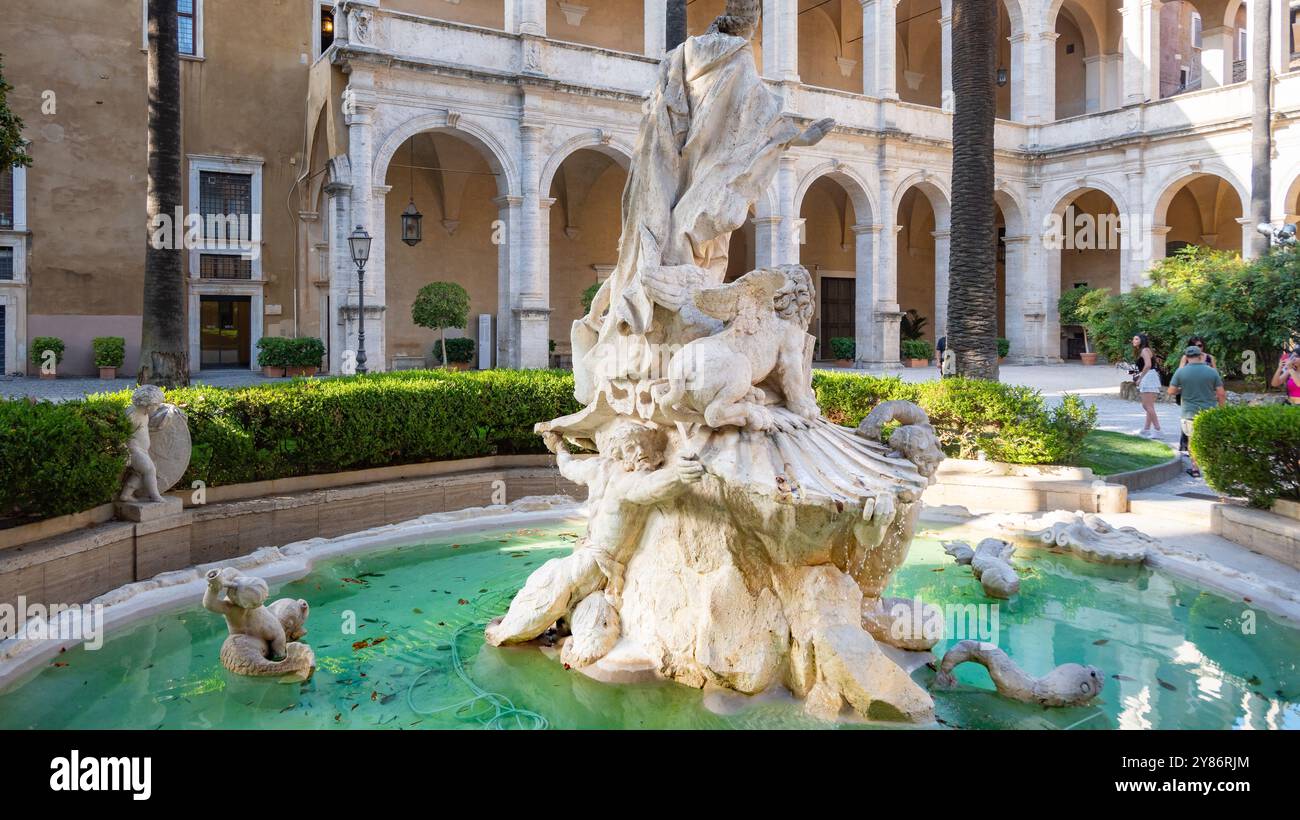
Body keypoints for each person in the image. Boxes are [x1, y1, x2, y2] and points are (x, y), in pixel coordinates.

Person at [1168, 345, 1227, 479]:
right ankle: (1212, 467)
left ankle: (1195, 469)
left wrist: (1182, 389)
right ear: (1201, 356)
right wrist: (1222, 410)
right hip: (1209, 412)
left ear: (1187, 358)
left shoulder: (1181, 372)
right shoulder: (1212, 372)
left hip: (1189, 413)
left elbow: (1171, 391)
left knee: (1192, 441)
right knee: (1210, 439)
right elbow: (1221, 393)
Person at [1176, 337, 1217, 454]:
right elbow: (1180, 373)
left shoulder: (1210, 358)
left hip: (1206, 394)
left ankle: (1204, 446)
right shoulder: (1186, 358)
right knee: (1188, 419)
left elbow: (1216, 375)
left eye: (1200, 345)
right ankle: (1186, 447)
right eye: (1194, 346)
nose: (1197, 348)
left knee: (1205, 419)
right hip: (1189, 393)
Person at [1132, 333, 1162, 437]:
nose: (1134, 341)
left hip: (1148, 377)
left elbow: (1148, 365)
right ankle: (1146, 429)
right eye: (1133, 339)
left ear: (1141, 340)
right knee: (1149, 406)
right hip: (1150, 376)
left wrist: (1140, 378)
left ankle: (1158, 430)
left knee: (1147, 405)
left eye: (1136, 339)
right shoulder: (1146, 350)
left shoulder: (1144, 350)